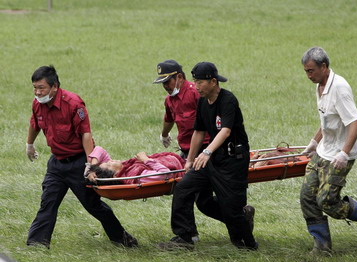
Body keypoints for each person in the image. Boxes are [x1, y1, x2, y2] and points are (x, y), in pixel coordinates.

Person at [25, 65, 138, 248]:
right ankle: (37, 243)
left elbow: (86, 134)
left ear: (54, 86)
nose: (37, 92)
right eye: (35, 88)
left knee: (93, 205)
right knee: (48, 202)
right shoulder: (37, 103)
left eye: (41, 88)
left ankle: (122, 239)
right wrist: (29, 145)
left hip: (78, 162)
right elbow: (34, 123)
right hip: (56, 163)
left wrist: (90, 164)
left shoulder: (73, 104)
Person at [159, 62, 257, 250]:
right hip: (210, 159)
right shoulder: (203, 101)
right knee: (185, 189)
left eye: (200, 82)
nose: (196, 86)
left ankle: (249, 244)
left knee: (231, 210)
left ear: (213, 81)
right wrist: (189, 161)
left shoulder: (228, 100)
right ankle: (185, 237)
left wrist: (206, 152)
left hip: (232, 160)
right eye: (194, 81)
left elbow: (226, 130)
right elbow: (199, 132)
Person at [299, 47, 357, 255]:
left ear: (324, 67)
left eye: (311, 71)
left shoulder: (339, 88)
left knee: (326, 200)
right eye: (306, 71)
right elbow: (327, 120)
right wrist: (313, 142)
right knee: (307, 197)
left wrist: (344, 153)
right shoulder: (320, 85)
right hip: (323, 151)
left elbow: (355, 121)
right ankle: (322, 246)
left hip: (339, 154)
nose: (308, 75)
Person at [153, 59, 209, 158]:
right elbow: (169, 119)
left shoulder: (196, 93)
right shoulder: (169, 100)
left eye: (167, 81)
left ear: (180, 77)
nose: (165, 86)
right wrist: (164, 135)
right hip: (186, 150)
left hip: (204, 149)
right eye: (163, 83)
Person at [86, 146, 184, 184]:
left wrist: (93, 169)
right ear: (115, 175)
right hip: (182, 168)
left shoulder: (125, 168)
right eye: (108, 164)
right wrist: (146, 160)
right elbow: (166, 174)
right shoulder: (136, 176)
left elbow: (99, 149)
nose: (110, 161)